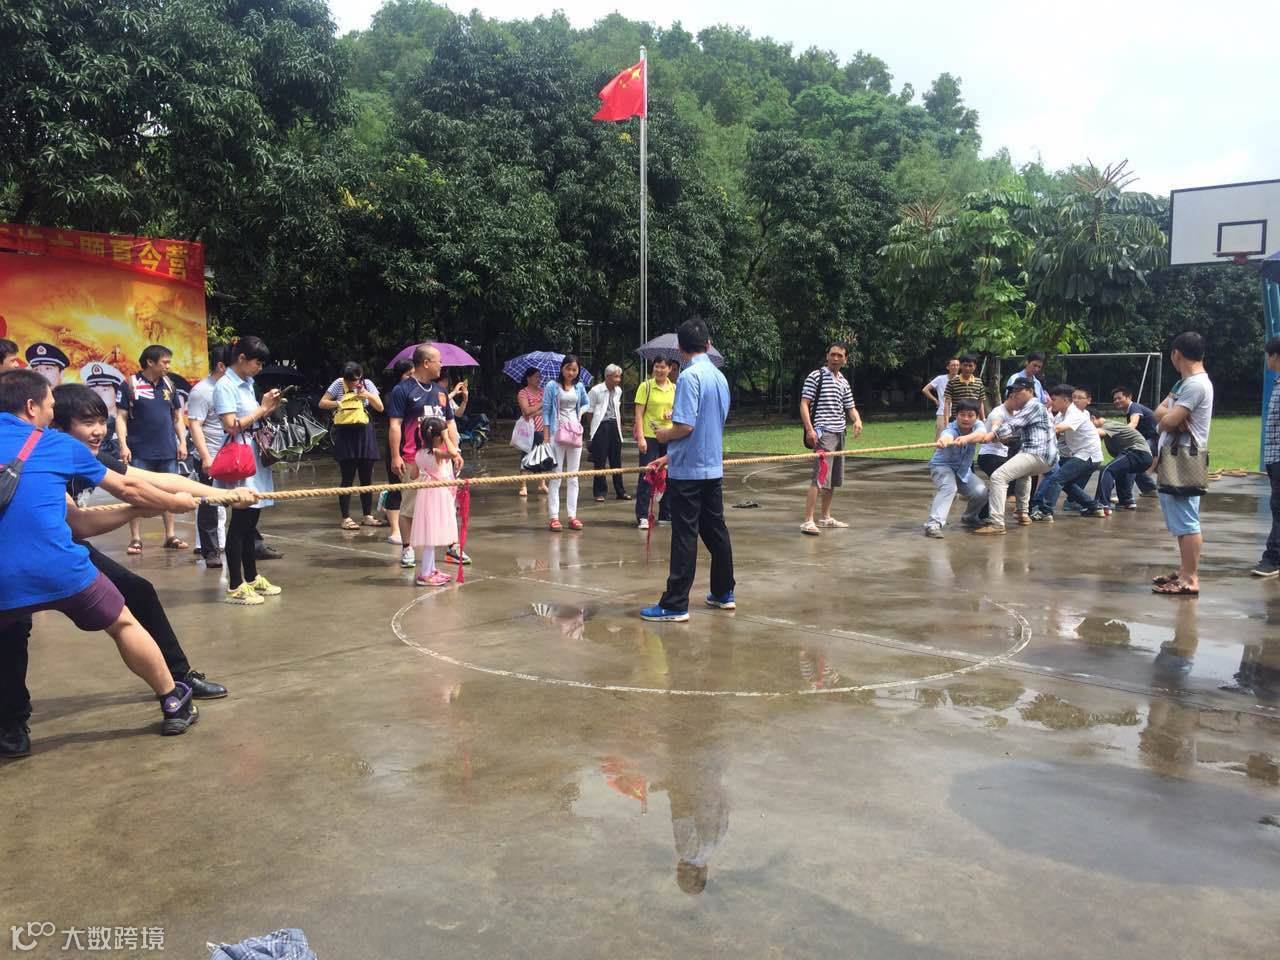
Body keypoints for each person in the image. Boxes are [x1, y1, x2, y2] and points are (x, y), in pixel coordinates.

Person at [0, 369, 200, 754]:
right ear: (31, 406)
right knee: (123, 623)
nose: (51, 412)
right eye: (50, 405)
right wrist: (174, 505)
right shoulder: (56, 443)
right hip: (61, 567)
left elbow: (81, 518)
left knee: (7, 638)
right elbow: (128, 486)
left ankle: (12, 732)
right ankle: (172, 699)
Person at [642, 317, 734, 622]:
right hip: (711, 468)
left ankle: (675, 603)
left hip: (688, 475)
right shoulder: (719, 377)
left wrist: (663, 436)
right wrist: (667, 458)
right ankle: (723, 592)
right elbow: (709, 427)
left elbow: (684, 427)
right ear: (708, 344)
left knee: (684, 535)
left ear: (680, 349)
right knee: (716, 530)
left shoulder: (689, 377)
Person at [214, 336, 283, 605]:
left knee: (251, 522)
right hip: (240, 458)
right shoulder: (225, 386)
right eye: (257, 362)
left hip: (254, 453)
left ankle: (251, 578)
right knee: (240, 523)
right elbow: (231, 425)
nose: (259, 368)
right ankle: (235, 585)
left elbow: (252, 418)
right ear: (241, 358)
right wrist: (261, 409)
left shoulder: (248, 383)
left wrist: (267, 409)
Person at [387, 345, 464, 566]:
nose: (442, 364)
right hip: (415, 459)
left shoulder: (440, 392)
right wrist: (396, 456)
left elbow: (449, 423)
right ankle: (407, 548)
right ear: (426, 363)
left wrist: (455, 452)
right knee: (410, 506)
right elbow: (395, 425)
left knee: (447, 504)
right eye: (439, 360)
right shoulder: (403, 390)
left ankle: (452, 547)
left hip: (442, 460)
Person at [1152, 331, 1215, 596]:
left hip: (1184, 459)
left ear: (1176, 354)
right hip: (1175, 457)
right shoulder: (1183, 384)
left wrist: (1167, 419)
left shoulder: (1195, 385)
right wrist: (1168, 417)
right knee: (1181, 520)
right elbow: (1159, 412)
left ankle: (1189, 578)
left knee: (1187, 521)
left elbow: (1166, 420)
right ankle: (1184, 571)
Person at [115, 344, 189, 554]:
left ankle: (170, 536)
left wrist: (182, 442)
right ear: (150, 362)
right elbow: (120, 418)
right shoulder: (129, 384)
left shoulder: (169, 384)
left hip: (167, 451)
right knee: (136, 494)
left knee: (169, 493)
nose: (168, 366)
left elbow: (177, 417)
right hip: (140, 451)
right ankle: (135, 538)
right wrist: (123, 445)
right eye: (165, 362)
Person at [972, 378, 1058, 536]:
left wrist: (991, 435)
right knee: (1023, 474)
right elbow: (1019, 434)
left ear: (1030, 391)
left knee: (998, 477)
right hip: (1044, 457)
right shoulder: (1035, 408)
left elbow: (1013, 425)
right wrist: (999, 438)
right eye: (1013, 391)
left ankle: (997, 523)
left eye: (1019, 391)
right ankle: (1022, 513)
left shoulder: (1033, 405)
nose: (1015, 394)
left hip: (1037, 453)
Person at [799, 342, 862, 536]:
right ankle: (808, 520)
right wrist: (810, 430)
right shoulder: (816, 376)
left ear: (846, 359)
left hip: (840, 433)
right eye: (832, 354)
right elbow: (804, 403)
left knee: (833, 479)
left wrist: (857, 420)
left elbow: (850, 407)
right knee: (819, 477)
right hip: (823, 434)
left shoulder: (843, 381)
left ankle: (825, 517)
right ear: (827, 356)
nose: (835, 358)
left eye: (840, 355)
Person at [319, 361, 386, 530]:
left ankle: (367, 515)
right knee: (347, 478)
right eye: (349, 380)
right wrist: (337, 403)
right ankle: (346, 518)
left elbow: (380, 407)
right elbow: (322, 403)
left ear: (360, 376)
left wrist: (367, 395)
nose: (353, 383)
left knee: (366, 478)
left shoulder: (367, 384)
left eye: (356, 380)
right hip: (346, 434)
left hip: (365, 434)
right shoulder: (338, 384)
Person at [1029, 384, 1106, 521]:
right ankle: (1093, 507)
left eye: (1054, 399)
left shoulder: (1075, 414)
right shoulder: (1060, 414)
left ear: (1065, 400)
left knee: (1057, 479)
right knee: (1066, 483)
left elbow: (1057, 429)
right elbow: (1054, 433)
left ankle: (1046, 512)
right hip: (1080, 454)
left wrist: (1036, 431)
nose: (1051, 402)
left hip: (1088, 455)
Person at [187, 342, 229, 567]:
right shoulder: (202, 391)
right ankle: (210, 551)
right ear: (221, 366)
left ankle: (251, 543)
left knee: (242, 501)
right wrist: (205, 457)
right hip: (211, 456)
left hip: (234, 454)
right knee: (209, 504)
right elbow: (195, 426)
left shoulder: (234, 387)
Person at [923, 399, 988, 538]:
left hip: (963, 471)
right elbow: (947, 435)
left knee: (981, 492)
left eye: (970, 415)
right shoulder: (951, 428)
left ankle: (970, 517)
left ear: (976, 417)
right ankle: (933, 525)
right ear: (956, 415)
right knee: (949, 488)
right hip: (942, 467)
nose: (966, 418)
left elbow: (981, 434)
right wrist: (944, 440)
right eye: (962, 414)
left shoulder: (978, 425)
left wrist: (966, 438)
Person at [410, 417, 460, 587]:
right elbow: (453, 453)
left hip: (425, 494)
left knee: (430, 532)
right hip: (437, 495)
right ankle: (425, 574)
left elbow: (413, 476)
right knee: (431, 534)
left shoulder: (419, 454)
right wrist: (447, 437)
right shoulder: (437, 453)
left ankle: (430, 569)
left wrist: (424, 470)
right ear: (439, 436)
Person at [541, 354, 589, 532]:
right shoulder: (552, 386)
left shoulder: (579, 386)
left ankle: (572, 516)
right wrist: (546, 436)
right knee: (556, 475)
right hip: (557, 433)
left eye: (575, 369)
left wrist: (580, 413)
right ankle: (554, 517)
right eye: (568, 368)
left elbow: (586, 403)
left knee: (573, 476)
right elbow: (546, 411)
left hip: (575, 433)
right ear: (562, 369)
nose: (571, 372)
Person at [634, 357, 676, 529]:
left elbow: (679, 410)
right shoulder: (646, 387)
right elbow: (638, 414)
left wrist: (672, 413)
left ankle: (666, 513)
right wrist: (641, 438)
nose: (659, 370)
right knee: (647, 475)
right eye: (656, 366)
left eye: (663, 367)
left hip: (669, 435)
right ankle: (643, 515)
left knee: (669, 475)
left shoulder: (675, 388)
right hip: (650, 436)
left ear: (670, 369)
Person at [1252, 337, 1280, 579]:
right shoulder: (1278, 382)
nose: (1266, 360)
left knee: (1278, 508)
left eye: (1267, 355)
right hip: (1275, 458)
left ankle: (1273, 558)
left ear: (1276, 356)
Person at [1092, 411, 1155, 513]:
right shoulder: (1109, 428)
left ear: (1093, 418)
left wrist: (1074, 427)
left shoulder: (1108, 425)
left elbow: (1094, 432)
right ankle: (1126, 501)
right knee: (1121, 470)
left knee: (1107, 470)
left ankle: (1102, 504)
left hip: (1138, 452)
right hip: (1143, 456)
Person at [381, 358, 414, 542]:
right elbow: (395, 423)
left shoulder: (419, 391)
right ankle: (395, 530)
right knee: (396, 487)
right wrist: (396, 455)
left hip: (413, 445)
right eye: (409, 374)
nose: (412, 377)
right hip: (398, 445)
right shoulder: (394, 393)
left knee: (413, 490)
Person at [586, 363, 629, 502]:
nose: (618, 380)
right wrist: (593, 430)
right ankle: (599, 492)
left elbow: (617, 409)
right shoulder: (596, 391)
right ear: (608, 377)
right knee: (600, 460)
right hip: (601, 426)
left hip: (614, 425)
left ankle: (620, 491)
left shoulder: (618, 391)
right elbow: (590, 411)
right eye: (616, 377)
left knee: (616, 460)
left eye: (619, 377)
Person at [1110, 385, 1159, 496]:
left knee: (1131, 460)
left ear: (1129, 397)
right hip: (1149, 441)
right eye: (1115, 399)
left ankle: (1125, 496)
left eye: (1119, 398)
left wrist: (1118, 433)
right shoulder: (1130, 411)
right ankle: (1149, 489)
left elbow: (1133, 423)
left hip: (1153, 440)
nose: (1116, 401)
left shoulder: (1134, 407)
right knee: (1136, 464)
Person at [516, 367, 547, 499]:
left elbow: (548, 409)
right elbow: (526, 411)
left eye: (539, 376)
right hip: (529, 430)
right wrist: (541, 405)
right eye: (536, 376)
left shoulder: (543, 391)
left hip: (542, 428)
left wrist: (535, 411)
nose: (539, 379)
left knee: (543, 456)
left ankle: (541, 484)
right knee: (526, 457)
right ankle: (523, 485)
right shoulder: (523, 393)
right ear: (528, 378)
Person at [944, 353, 987, 421]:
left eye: (970, 366)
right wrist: (946, 422)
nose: (967, 368)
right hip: (957, 419)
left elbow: (980, 403)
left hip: (974, 419)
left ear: (975, 366)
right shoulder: (952, 382)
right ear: (960, 366)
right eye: (965, 365)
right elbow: (947, 403)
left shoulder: (979, 382)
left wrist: (983, 419)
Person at [923, 358, 960, 436]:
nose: (955, 367)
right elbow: (925, 390)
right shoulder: (940, 379)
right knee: (940, 437)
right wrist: (935, 400)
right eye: (953, 365)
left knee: (957, 437)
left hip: (958, 413)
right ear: (948, 367)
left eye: (957, 365)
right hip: (942, 412)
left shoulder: (961, 379)